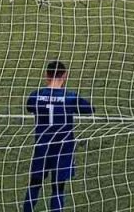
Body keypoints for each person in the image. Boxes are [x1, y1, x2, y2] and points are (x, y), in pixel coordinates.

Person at [23, 61, 94, 212]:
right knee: (58, 188)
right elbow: (90, 109)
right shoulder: (70, 98)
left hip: (42, 148)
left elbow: (29, 106)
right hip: (62, 149)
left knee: (34, 184)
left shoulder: (35, 96)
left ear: (46, 76)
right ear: (65, 75)